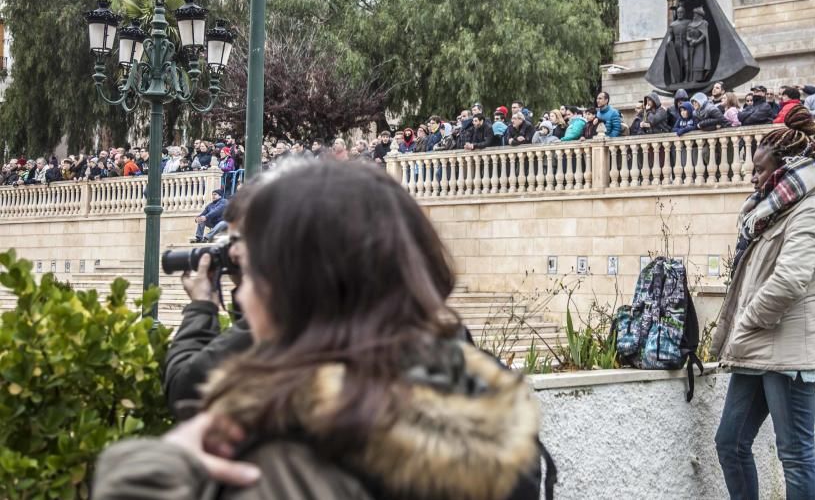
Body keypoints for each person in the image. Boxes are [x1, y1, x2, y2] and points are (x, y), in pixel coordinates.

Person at [94, 161, 550, 500]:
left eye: (249, 274)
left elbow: (186, 384)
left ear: (298, 289)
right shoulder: (491, 414)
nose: (241, 298)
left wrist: (145, 472)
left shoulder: (286, 463)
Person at [713, 105, 815, 500]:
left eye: (761, 170)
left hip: (789, 350)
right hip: (757, 348)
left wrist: (747, 321)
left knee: (795, 456)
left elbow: (789, 281)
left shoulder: (811, 210)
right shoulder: (772, 212)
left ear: (786, 167)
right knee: (729, 443)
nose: (754, 178)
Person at [165, 184, 257, 417]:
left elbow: (185, 388)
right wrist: (242, 289)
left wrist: (201, 307)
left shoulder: (284, 319)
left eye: (235, 241)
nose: (231, 253)